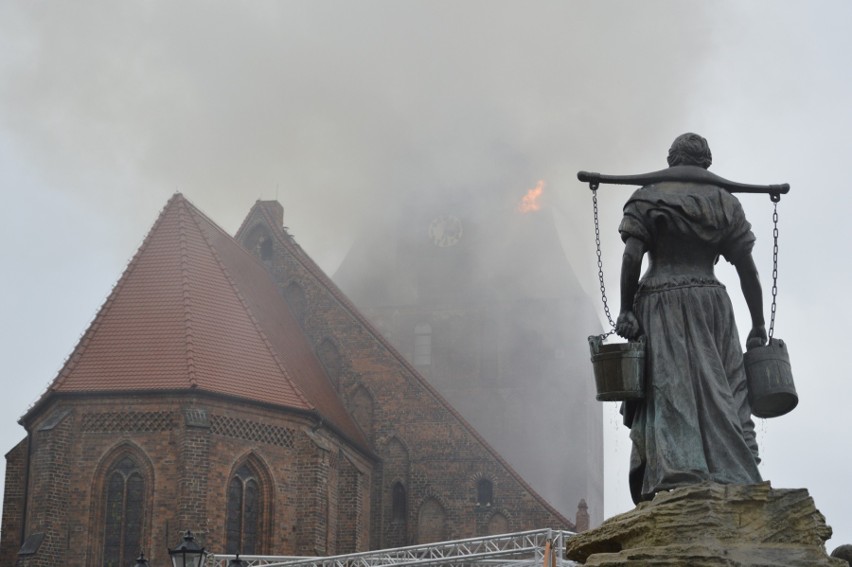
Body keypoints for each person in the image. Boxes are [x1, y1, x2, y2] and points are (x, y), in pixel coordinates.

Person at [616, 133, 767, 504]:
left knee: (670, 390)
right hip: (711, 302)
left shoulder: (647, 197)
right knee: (725, 389)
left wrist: (625, 309)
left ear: (671, 160)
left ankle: (676, 473)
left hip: (660, 302)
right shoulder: (724, 203)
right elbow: (749, 271)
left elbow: (632, 257)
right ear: (706, 164)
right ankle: (732, 470)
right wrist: (758, 323)